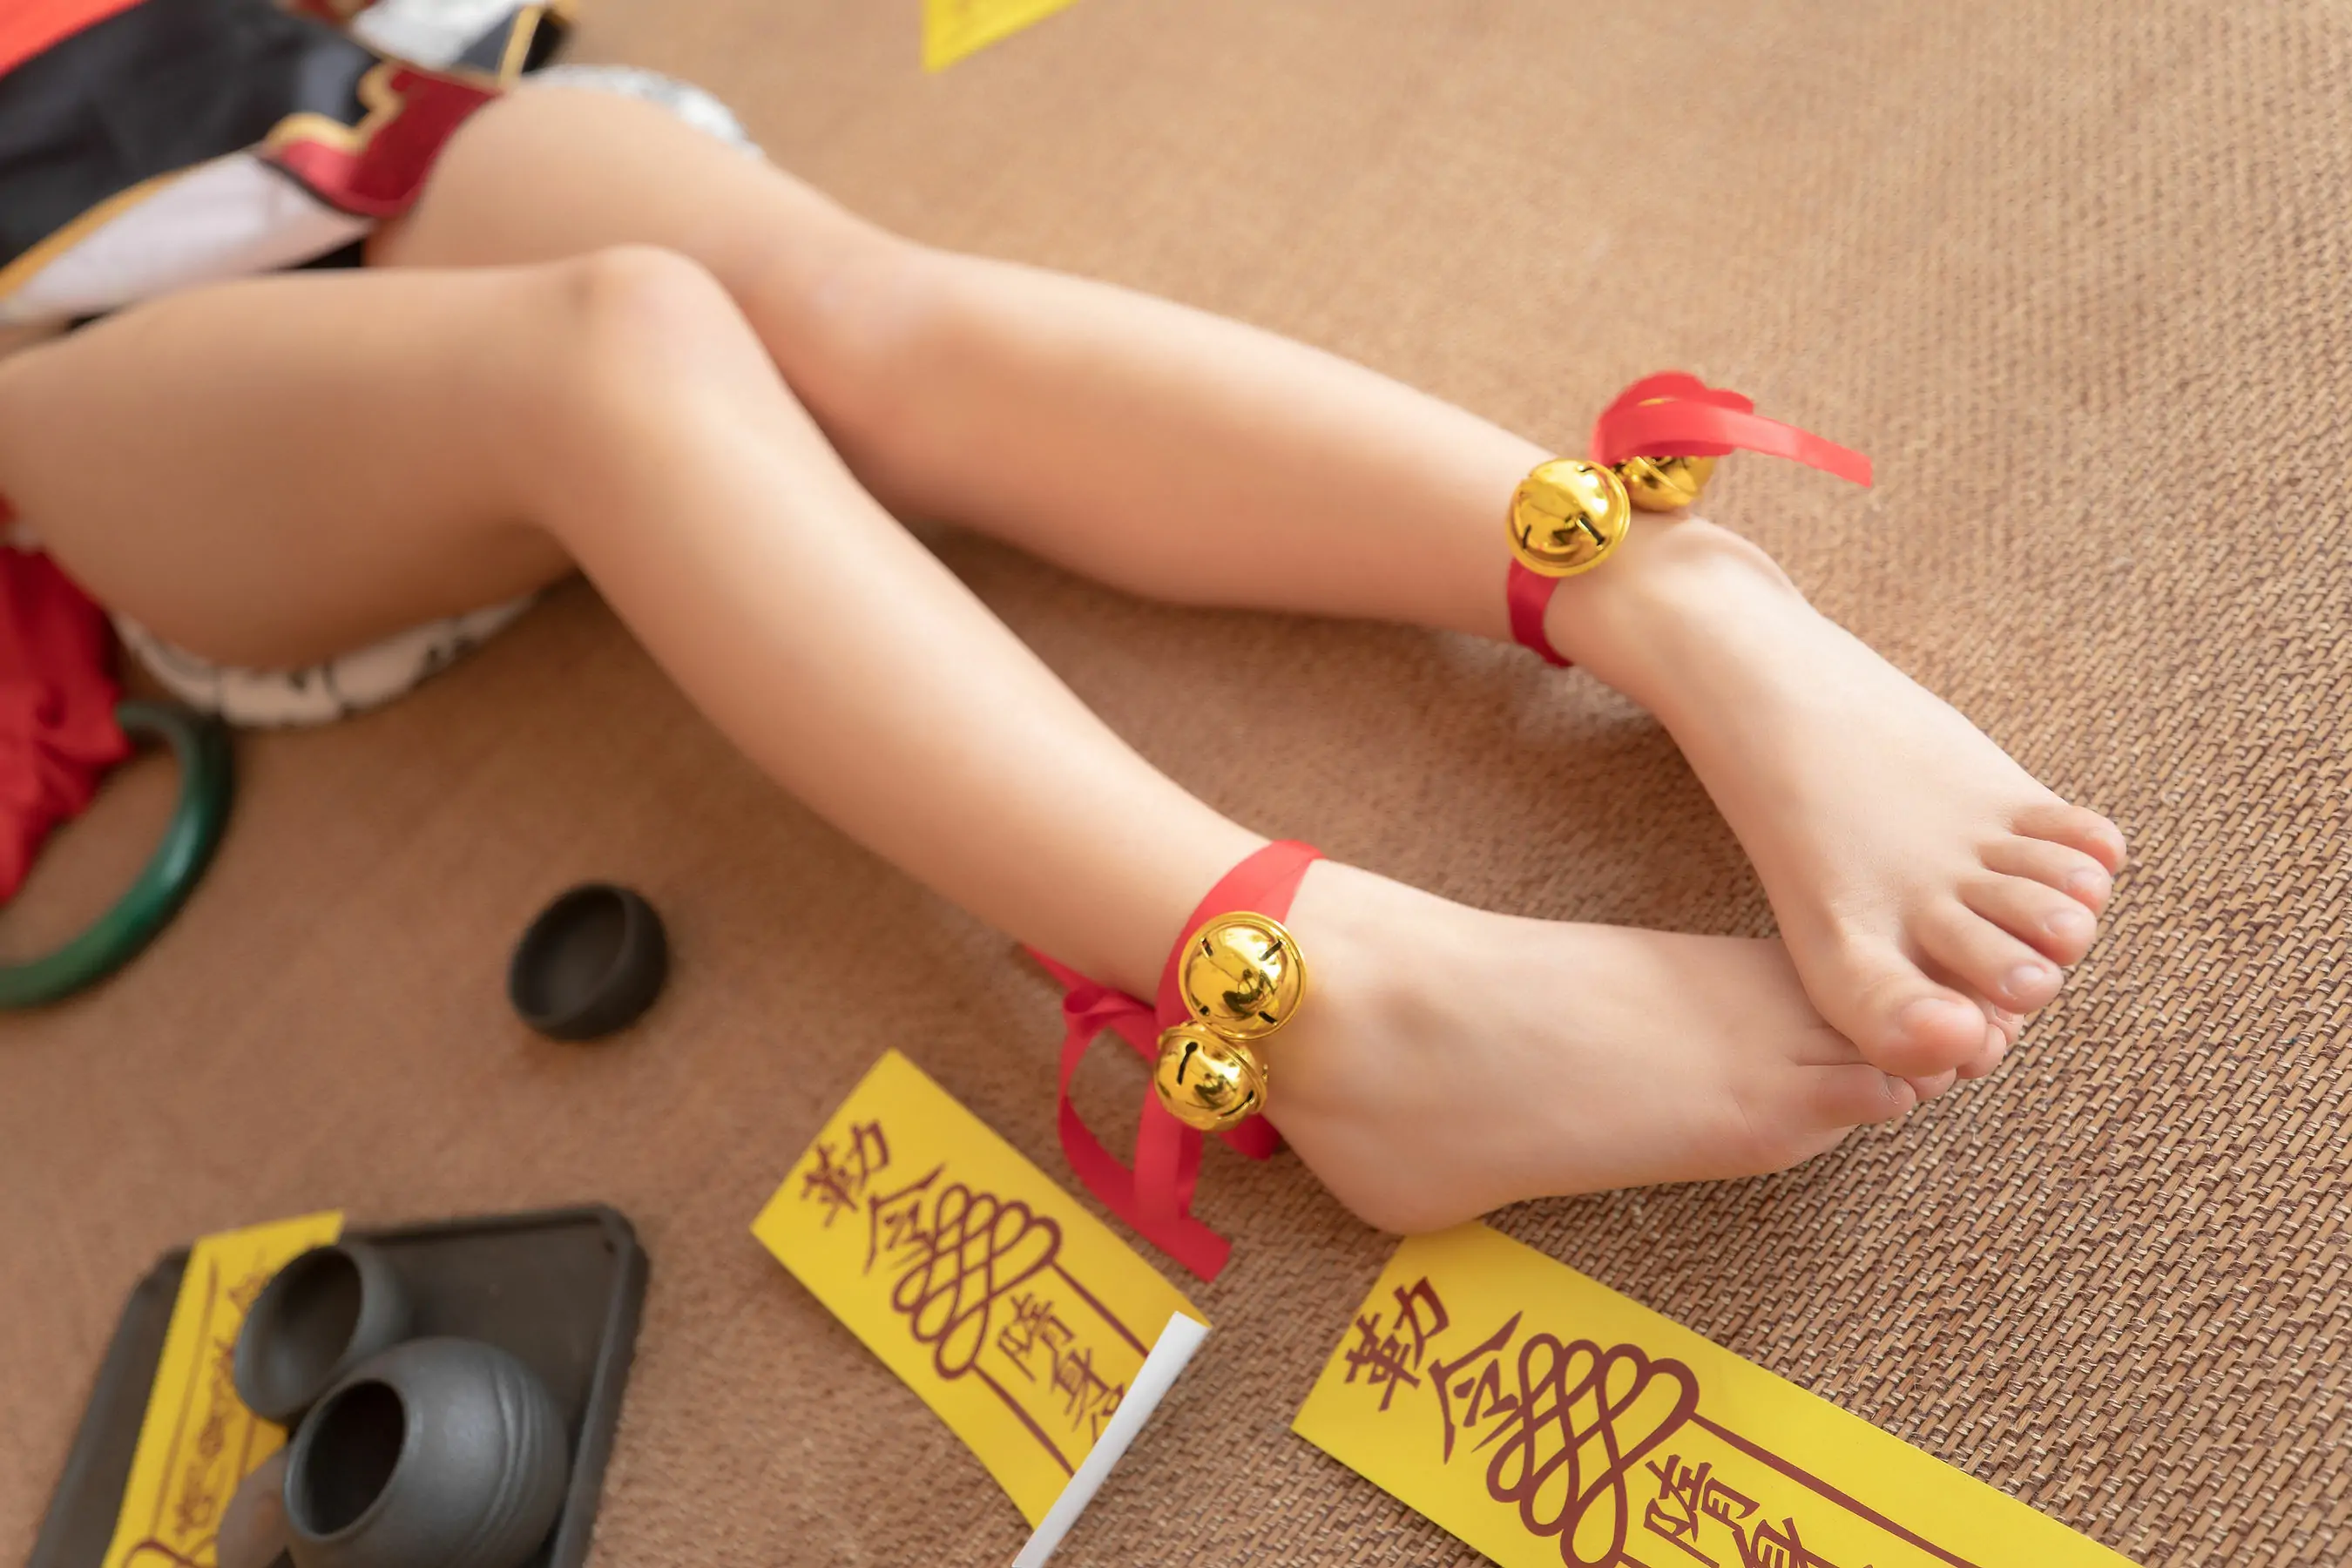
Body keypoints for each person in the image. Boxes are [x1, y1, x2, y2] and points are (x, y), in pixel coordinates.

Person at [0, 0, 2125, 1237]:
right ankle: (1317, 994)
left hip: (316, 111)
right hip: (67, 357)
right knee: (619, 347)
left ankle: (1670, 595)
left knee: (860, 316)